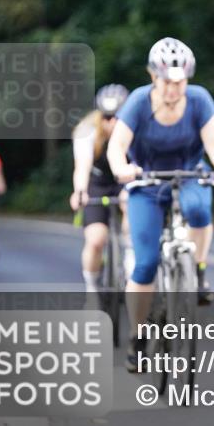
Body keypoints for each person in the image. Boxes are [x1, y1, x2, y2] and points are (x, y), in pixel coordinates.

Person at [106, 37, 214, 371]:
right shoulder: (138, 102)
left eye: (179, 82)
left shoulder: (199, 100)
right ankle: (138, 339)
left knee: (199, 211)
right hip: (147, 181)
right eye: (167, 82)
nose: (173, 89)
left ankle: (197, 270)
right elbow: (116, 147)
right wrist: (122, 169)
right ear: (154, 77)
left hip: (189, 174)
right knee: (145, 264)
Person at [70, 84, 130, 294]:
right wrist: (80, 191)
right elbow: (82, 166)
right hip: (98, 183)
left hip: (125, 179)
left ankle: (131, 264)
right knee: (95, 240)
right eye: (106, 117)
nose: (111, 123)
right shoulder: (87, 131)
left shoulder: (134, 127)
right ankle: (92, 288)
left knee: (131, 209)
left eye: (117, 117)